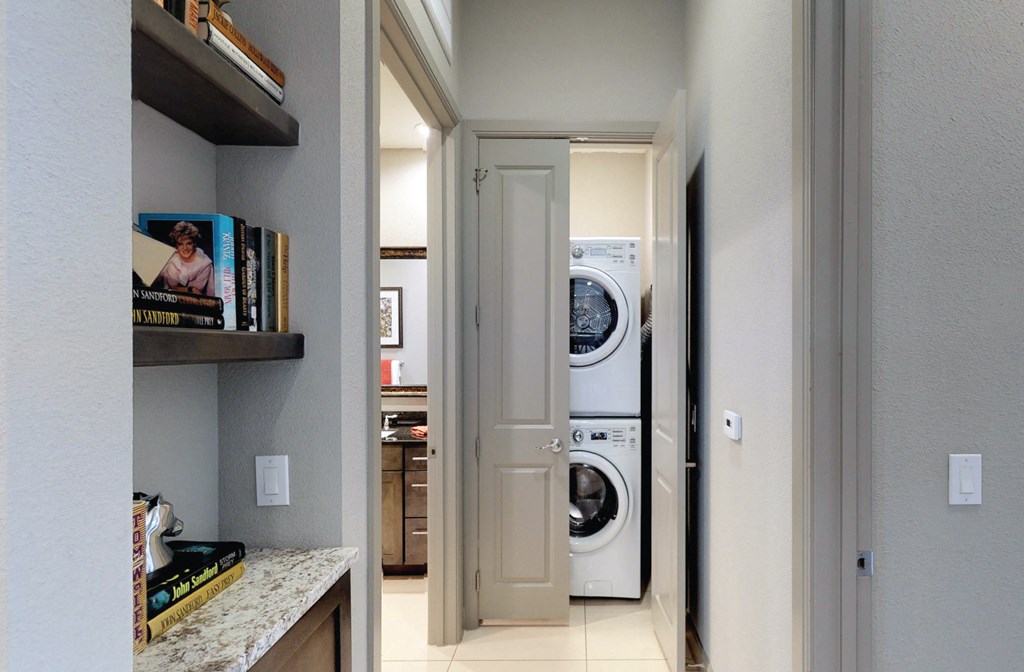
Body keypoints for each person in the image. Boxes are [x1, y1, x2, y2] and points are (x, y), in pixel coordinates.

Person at [158, 221, 215, 296]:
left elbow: (197, 292)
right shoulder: (172, 262)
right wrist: (190, 289)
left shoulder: (205, 264)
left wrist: (185, 289)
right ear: (176, 246)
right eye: (180, 244)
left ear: (194, 244)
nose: (185, 248)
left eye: (189, 243)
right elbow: (172, 287)